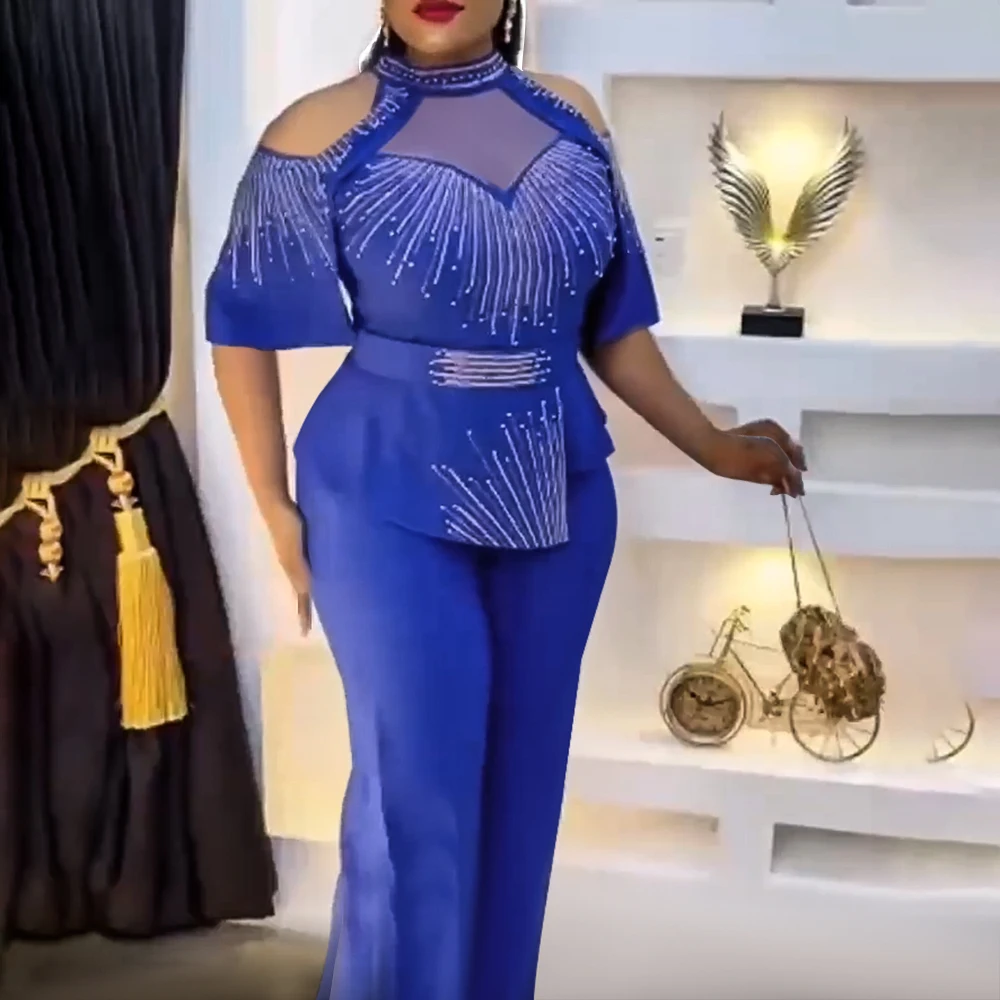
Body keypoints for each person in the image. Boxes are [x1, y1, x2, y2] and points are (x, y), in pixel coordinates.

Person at [206, 1, 806, 996]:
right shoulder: (314, 131)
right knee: (417, 799)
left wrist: (710, 444)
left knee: (521, 799)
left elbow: (612, 326)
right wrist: (272, 506)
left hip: (562, 495)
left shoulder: (574, 118)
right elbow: (242, 323)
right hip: (380, 496)